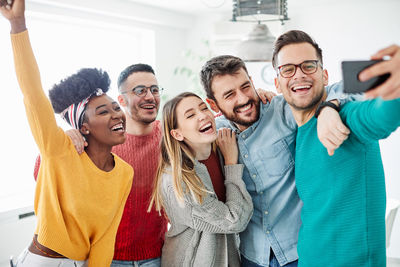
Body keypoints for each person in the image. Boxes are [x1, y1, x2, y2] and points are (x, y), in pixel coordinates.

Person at [1, 1, 133, 266]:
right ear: (84, 127)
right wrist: (17, 24)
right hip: (40, 261)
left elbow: (105, 238)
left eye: (116, 108)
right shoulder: (59, 149)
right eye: (103, 112)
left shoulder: (124, 172)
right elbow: (32, 93)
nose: (117, 114)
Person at [200, 53, 351, 266]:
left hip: (299, 252)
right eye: (229, 95)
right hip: (251, 256)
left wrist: (329, 107)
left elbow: (345, 90)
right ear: (213, 105)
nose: (243, 99)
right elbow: (176, 135)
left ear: (253, 82)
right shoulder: (215, 133)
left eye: (245, 87)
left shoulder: (282, 109)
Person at [272, 30, 400, 266]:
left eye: (309, 66)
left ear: (324, 76)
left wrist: (395, 87)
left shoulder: (346, 117)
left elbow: (381, 116)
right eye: (288, 69)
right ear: (278, 84)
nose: (299, 75)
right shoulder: (297, 135)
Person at [33, 63, 168, 267]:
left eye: (155, 89)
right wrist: (66, 138)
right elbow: (44, 173)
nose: (150, 96)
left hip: (157, 255)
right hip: (106, 258)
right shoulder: (98, 142)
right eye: (140, 90)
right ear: (122, 99)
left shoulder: (169, 137)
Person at [148, 92, 253, 267]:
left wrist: (265, 95)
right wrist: (231, 165)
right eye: (190, 115)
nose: (203, 115)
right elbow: (234, 220)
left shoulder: (220, 149)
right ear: (177, 134)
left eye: (204, 108)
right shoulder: (177, 180)